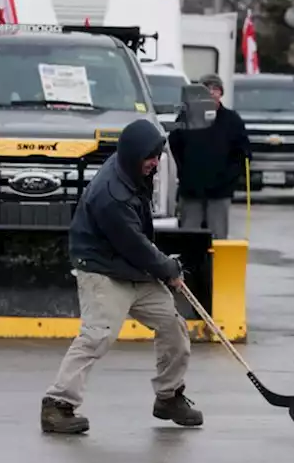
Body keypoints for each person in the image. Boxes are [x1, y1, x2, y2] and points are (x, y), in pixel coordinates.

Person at [40, 119, 203, 435]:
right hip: (102, 269)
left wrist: (162, 268)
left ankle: (169, 397)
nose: (155, 163)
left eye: (157, 156)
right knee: (97, 335)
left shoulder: (131, 167)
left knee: (172, 326)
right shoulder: (111, 195)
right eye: (150, 157)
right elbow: (136, 246)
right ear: (133, 154)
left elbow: (138, 247)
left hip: (133, 269)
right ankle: (57, 405)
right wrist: (169, 268)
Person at [166, 74, 251, 240]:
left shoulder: (232, 120)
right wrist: (184, 175)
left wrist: (228, 180)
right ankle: (188, 266)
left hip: (220, 192)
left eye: (215, 89)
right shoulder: (186, 118)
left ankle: (216, 266)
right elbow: (174, 146)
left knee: (218, 237)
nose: (211, 93)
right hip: (191, 191)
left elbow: (243, 153)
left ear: (221, 93)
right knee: (188, 237)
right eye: (207, 89)